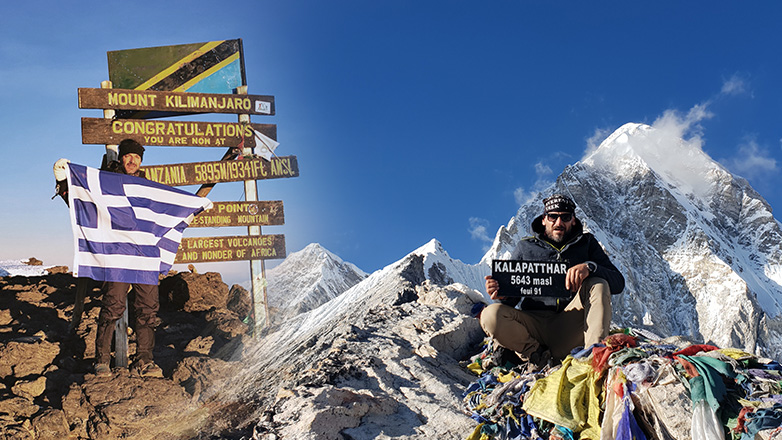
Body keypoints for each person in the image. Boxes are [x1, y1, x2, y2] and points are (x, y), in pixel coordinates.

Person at [53, 138, 163, 378]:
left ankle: (145, 359)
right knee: (112, 306)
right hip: (116, 258)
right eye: (128, 156)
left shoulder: (147, 186)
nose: (132, 160)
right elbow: (84, 203)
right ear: (121, 158)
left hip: (143, 256)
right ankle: (101, 360)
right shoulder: (105, 183)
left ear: (141, 161)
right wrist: (64, 183)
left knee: (147, 308)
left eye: (137, 157)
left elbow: (162, 212)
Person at [481, 194, 625, 369]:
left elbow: (618, 282)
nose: (559, 223)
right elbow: (510, 301)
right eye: (553, 216)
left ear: (573, 220)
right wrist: (501, 293)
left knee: (599, 283)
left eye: (565, 217)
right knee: (490, 314)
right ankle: (537, 357)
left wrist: (590, 267)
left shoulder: (587, 243)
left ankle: (592, 358)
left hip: (570, 325)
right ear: (544, 220)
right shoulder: (525, 248)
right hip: (534, 326)